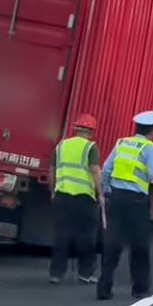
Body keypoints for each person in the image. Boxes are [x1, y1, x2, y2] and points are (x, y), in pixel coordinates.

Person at [96, 110, 153, 300]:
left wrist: (107, 191)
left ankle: (104, 288)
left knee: (112, 243)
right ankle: (140, 289)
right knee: (139, 245)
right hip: (136, 202)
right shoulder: (148, 147)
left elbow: (106, 170)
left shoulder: (121, 143)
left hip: (116, 199)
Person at [49, 113, 103, 285]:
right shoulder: (90, 147)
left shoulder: (61, 145)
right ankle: (85, 273)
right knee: (86, 236)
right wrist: (100, 194)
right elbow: (95, 171)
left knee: (61, 235)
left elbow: (52, 171)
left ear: (75, 128)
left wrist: (52, 191)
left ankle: (56, 274)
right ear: (92, 131)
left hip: (62, 196)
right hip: (84, 198)